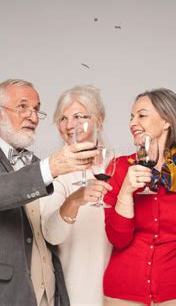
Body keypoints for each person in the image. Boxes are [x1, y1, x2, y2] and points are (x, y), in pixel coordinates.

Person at [0, 79, 99, 305]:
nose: (33, 116)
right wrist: (51, 168)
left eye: (37, 109)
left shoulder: (38, 165)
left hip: (46, 296)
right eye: (23, 107)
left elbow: (48, 231)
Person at [103, 88, 176, 305]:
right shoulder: (120, 167)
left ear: (166, 121)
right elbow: (117, 239)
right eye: (131, 117)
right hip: (123, 290)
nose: (132, 123)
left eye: (141, 115)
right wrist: (126, 192)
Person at [39, 85, 113, 306]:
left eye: (80, 116)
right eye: (63, 118)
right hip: (74, 291)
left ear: (99, 120)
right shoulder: (54, 172)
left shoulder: (117, 167)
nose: (70, 125)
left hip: (119, 291)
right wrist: (74, 201)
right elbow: (51, 234)